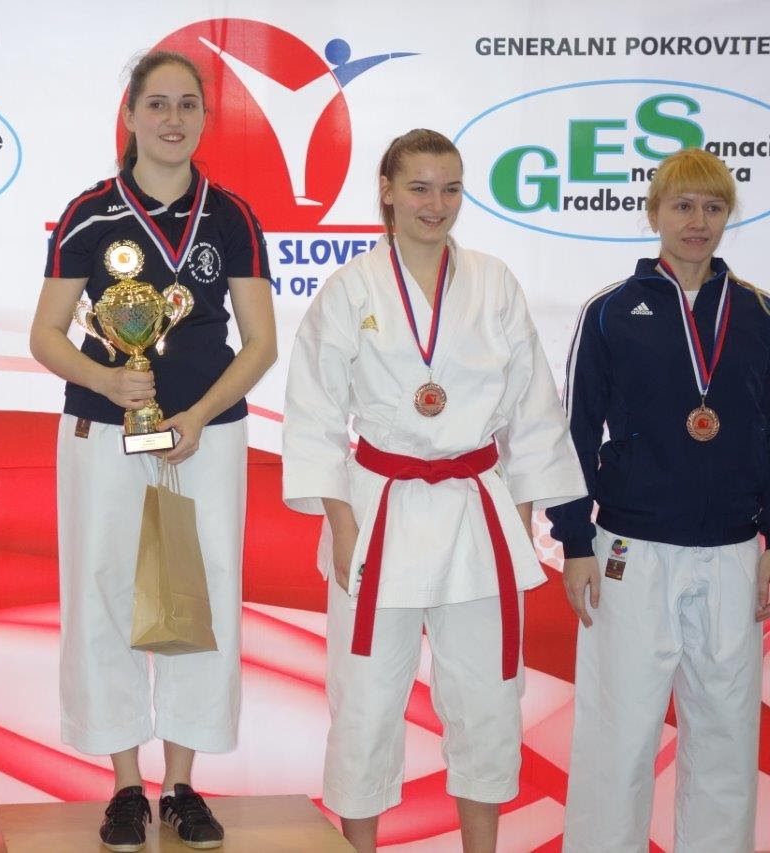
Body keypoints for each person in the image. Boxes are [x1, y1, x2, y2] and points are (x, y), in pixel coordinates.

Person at [282, 129, 585, 853]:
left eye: (450, 189)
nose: (435, 204)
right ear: (387, 191)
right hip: (379, 510)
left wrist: (517, 518)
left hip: (474, 510)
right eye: (419, 187)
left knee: (487, 699)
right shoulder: (350, 288)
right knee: (364, 699)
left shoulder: (494, 283)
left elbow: (532, 408)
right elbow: (315, 414)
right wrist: (342, 525)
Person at [29, 50, 276, 852]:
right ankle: (125, 786)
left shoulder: (231, 217)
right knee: (104, 590)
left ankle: (182, 785)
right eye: (158, 104)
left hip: (208, 434)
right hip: (105, 432)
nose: (173, 119)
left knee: (197, 601)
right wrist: (107, 378)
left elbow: (261, 342)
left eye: (188, 105)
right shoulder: (87, 214)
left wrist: (200, 413)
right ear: (130, 115)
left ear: (205, 118)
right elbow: (45, 334)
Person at [550, 147, 770, 853]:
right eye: (682, 206)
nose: (697, 221)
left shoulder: (758, 312)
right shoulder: (611, 311)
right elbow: (573, 431)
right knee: (618, 734)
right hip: (630, 550)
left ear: (728, 216)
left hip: (733, 549)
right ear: (654, 215)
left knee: (727, 735)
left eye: (712, 207)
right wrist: (574, 540)